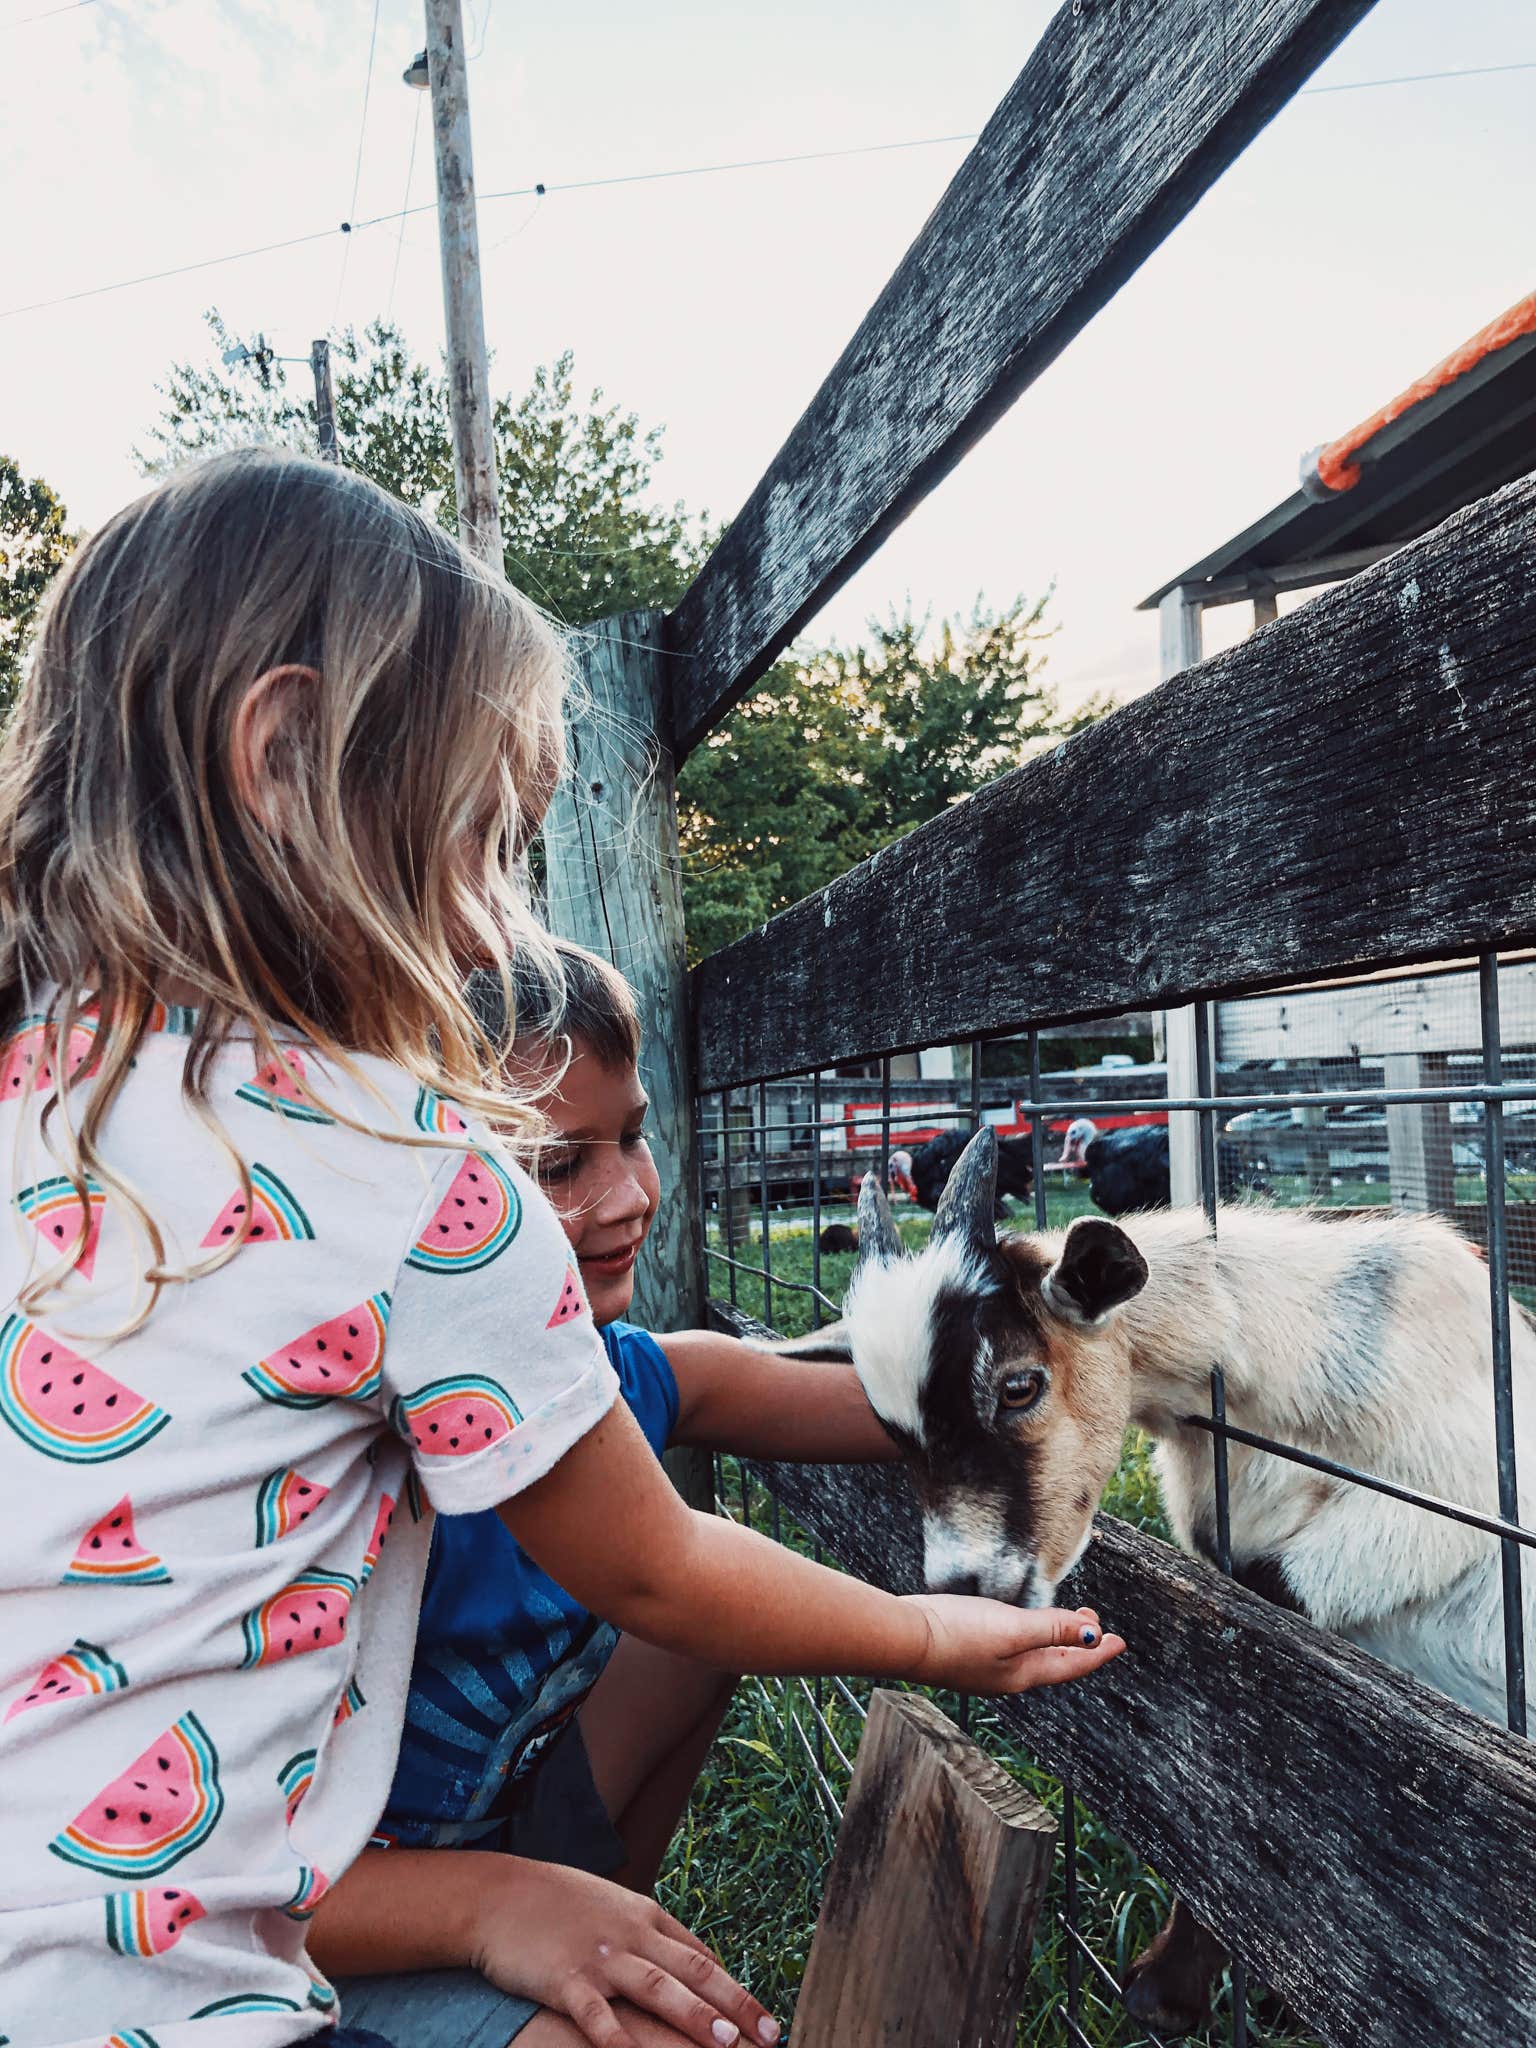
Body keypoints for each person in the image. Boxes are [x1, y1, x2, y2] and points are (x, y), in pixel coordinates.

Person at [0, 449, 1124, 2048]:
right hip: (184, 2001)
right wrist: (948, 1633)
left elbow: (730, 1392)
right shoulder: (401, 1174)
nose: (483, 931)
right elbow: (659, 1565)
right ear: (283, 758)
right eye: (476, 845)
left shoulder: (40, 1095)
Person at [312, 943, 920, 2044]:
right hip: (336, 1921)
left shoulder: (624, 1373)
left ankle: (606, 1942)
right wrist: (497, 1905)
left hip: (492, 1844)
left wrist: (1058, 1322)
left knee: (701, 1616)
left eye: (633, 1135)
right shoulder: (343, 1467)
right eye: (558, 1163)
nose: (631, 1192)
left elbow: (878, 1397)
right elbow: (209, 1886)